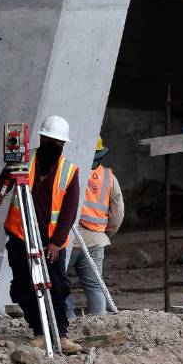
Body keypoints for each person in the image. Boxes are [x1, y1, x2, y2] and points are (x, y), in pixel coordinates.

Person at [0, 116, 82, 354]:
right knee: (23, 285)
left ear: (63, 145)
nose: (53, 145)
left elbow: (69, 212)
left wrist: (56, 242)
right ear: (42, 138)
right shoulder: (22, 161)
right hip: (21, 235)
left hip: (50, 241)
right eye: (50, 140)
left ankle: (60, 334)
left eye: (58, 143)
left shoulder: (69, 171)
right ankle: (39, 332)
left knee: (57, 286)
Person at [65, 136, 124, 318]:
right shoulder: (109, 177)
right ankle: (99, 320)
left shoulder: (67, 172)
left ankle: (68, 321)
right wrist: (105, 233)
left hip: (68, 239)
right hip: (96, 239)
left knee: (60, 282)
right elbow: (118, 212)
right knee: (95, 284)